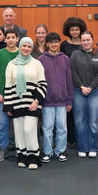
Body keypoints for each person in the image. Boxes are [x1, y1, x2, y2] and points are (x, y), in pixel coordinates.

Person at [3, 37, 46, 170]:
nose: (26, 48)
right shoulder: (11, 64)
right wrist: (9, 105)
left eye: (28, 46)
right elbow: (8, 85)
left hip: (31, 103)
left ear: (31, 48)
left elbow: (43, 83)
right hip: (16, 103)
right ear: (20, 47)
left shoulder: (37, 63)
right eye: (24, 46)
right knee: (19, 131)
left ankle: (33, 156)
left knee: (29, 130)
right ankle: (22, 155)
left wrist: (37, 101)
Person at [39, 32, 74, 163]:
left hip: (62, 101)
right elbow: (39, 82)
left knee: (62, 128)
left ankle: (60, 151)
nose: (54, 45)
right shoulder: (41, 60)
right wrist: (41, 100)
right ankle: (47, 152)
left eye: (56, 42)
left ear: (58, 43)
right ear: (47, 44)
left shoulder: (65, 59)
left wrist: (69, 100)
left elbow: (69, 81)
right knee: (47, 127)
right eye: (51, 42)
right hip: (47, 101)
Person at [70, 31, 98, 158]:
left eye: (88, 40)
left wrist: (90, 87)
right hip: (78, 91)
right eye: (83, 40)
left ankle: (92, 147)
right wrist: (81, 86)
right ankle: (82, 147)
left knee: (93, 121)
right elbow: (73, 72)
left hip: (94, 92)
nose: (85, 42)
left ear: (92, 40)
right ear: (80, 41)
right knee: (80, 121)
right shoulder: (75, 55)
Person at [60, 16, 87, 149]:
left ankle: (79, 137)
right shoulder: (64, 45)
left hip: (82, 82)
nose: (75, 32)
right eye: (72, 30)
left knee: (80, 112)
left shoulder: (85, 43)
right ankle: (70, 137)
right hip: (68, 81)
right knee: (69, 111)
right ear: (68, 31)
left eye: (77, 30)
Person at [0, 29, 19, 162]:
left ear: (17, 39)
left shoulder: (22, 53)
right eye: (8, 37)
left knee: (19, 122)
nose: (10, 40)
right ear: (5, 39)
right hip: (3, 94)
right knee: (3, 123)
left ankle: (20, 148)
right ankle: (4, 148)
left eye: (13, 37)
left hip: (20, 95)